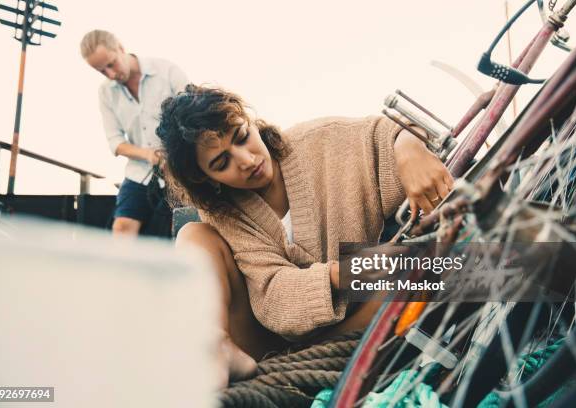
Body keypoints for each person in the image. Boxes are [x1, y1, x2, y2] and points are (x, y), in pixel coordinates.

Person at [156, 84, 454, 382]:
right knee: (193, 234)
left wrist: (407, 146)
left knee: (463, 267)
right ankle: (212, 345)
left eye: (242, 136)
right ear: (206, 178)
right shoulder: (224, 214)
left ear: (248, 121)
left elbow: (383, 135)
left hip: (355, 319)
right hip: (264, 346)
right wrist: (346, 273)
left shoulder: (318, 140)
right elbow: (274, 297)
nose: (246, 160)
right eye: (222, 163)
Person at [80, 30, 189, 235]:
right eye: (102, 71)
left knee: (179, 230)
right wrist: (148, 155)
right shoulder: (105, 92)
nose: (111, 75)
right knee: (121, 229)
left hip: (180, 171)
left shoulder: (167, 71)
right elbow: (115, 142)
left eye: (111, 64)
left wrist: (173, 156)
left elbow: (191, 119)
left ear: (120, 47)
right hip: (139, 173)